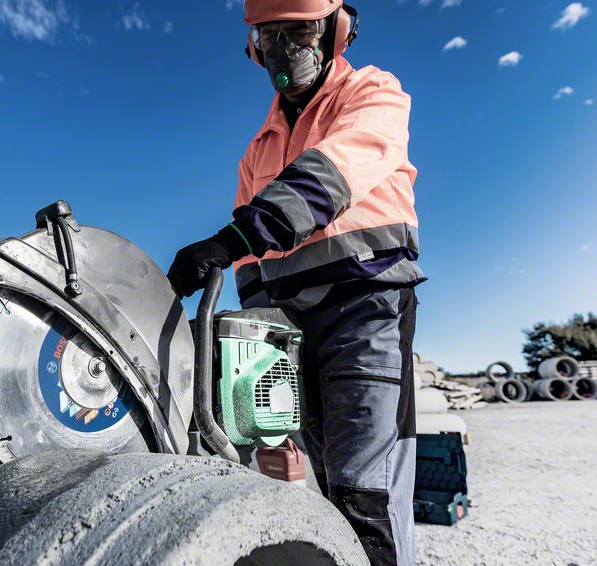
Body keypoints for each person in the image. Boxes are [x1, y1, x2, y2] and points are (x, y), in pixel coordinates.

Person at [167, 1, 424, 565]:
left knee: (365, 493)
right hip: (290, 326)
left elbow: (329, 177)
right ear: (254, 47)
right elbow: (249, 270)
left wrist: (234, 238)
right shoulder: (258, 150)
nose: (284, 50)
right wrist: (258, 352)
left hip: (364, 309)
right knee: (321, 487)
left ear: (336, 30)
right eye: (271, 36)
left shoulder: (371, 95)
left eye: (300, 31)